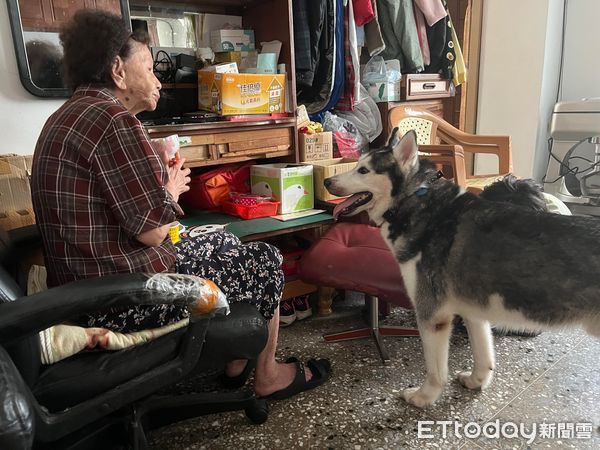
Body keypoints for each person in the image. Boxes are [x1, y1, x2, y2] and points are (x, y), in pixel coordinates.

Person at [31, 9, 330, 400]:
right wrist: (170, 189)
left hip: (87, 285)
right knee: (266, 259)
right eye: (150, 68)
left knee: (223, 241)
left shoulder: (71, 114)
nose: (157, 80)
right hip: (123, 297)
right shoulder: (114, 121)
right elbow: (154, 233)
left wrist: (154, 174)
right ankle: (267, 374)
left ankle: (235, 362)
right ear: (118, 71)